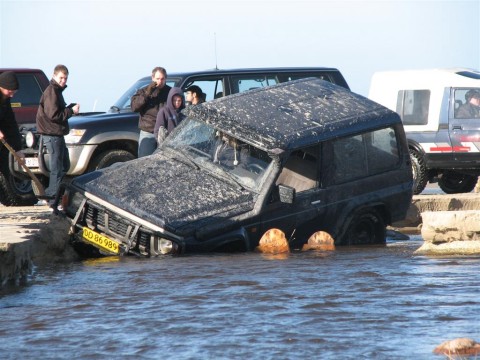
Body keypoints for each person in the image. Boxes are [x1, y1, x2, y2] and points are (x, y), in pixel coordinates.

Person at [36, 64, 80, 205]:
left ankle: (56, 197)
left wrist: (68, 108)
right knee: (57, 168)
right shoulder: (51, 92)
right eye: (61, 78)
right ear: (54, 76)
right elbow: (54, 115)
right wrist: (71, 111)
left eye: (65, 78)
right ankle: (51, 198)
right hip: (52, 135)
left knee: (64, 166)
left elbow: (56, 112)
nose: (63, 81)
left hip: (56, 135)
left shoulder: (56, 91)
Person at [131, 67, 171, 157]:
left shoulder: (170, 92)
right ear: (152, 78)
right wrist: (147, 94)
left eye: (162, 79)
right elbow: (134, 107)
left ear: (165, 79)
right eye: (157, 79)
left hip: (165, 133)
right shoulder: (143, 91)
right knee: (143, 162)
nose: (160, 81)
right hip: (148, 132)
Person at [0, 71, 25, 189]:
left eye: (14, 92)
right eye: (10, 91)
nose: (12, 95)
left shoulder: (5, 100)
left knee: (5, 166)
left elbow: (11, 125)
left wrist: (18, 149)